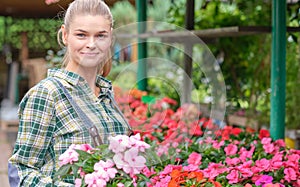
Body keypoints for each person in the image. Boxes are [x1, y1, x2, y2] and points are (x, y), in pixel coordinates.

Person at [8, 0, 132, 186]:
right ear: (65, 35)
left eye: (100, 35)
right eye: (81, 35)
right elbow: (21, 172)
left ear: (110, 38)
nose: (91, 44)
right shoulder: (48, 94)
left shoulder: (105, 95)